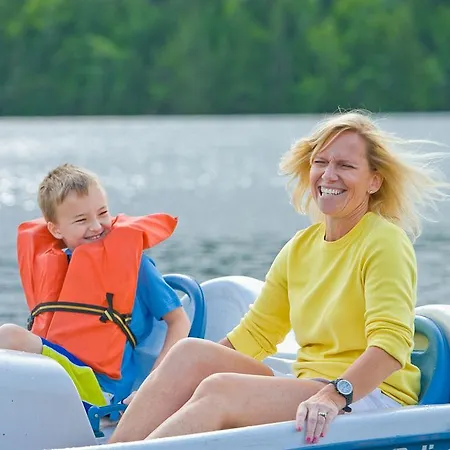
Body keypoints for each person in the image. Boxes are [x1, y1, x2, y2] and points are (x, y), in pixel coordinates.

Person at [109, 110, 449, 445]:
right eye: (321, 162)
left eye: (346, 166)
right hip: (313, 387)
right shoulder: (300, 247)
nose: (329, 175)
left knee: (220, 391)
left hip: (367, 397)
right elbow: (256, 334)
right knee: (189, 353)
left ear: (374, 181)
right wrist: (163, 389)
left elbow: (391, 346)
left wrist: (334, 395)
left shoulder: (385, 242)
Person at [0, 163, 191, 410]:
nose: (96, 226)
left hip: (101, 391)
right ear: (55, 229)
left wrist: (152, 387)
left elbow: (179, 321)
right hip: (54, 377)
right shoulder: (55, 266)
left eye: (103, 213)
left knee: (8, 336)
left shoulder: (135, 265)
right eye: (82, 220)